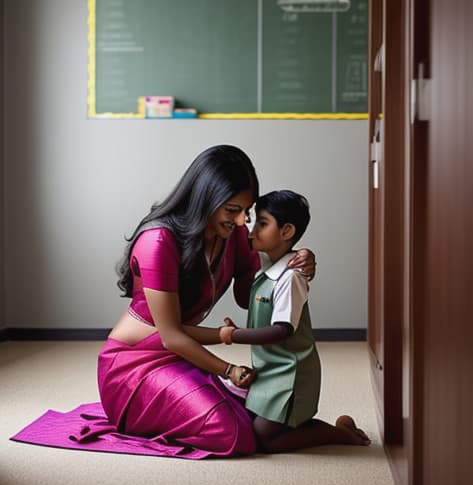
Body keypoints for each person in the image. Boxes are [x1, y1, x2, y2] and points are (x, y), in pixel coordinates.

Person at [98, 145, 315, 460]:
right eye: (232, 210)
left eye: (247, 211)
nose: (242, 221)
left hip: (182, 355)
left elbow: (247, 298)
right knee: (234, 434)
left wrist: (294, 257)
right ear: (205, 200)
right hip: (135, 365)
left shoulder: (233, 234)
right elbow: (171, 335)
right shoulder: (157, 242)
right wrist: (228, 369)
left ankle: (338, 432)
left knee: (265, 413)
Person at [219, 190, 371, 453]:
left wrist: (233, 335)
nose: (253, 230)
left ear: (287, 231)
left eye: (262, 224)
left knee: (264, 438)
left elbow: (281, 330)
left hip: (291, 373)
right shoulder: (267, 262)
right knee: (253, 423)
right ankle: (336, 429)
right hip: (269, 369)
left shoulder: (291, 277)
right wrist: (305, 251)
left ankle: (342, 435)